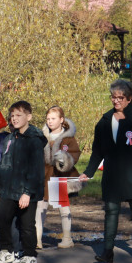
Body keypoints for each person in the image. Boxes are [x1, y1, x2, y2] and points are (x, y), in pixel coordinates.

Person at [81, 79, 132, 263]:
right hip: (112, 174)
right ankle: (107, 252)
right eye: (113, 97)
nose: (116, 100)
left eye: (120, 97)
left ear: (129, 98)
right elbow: (97, 150)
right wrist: (89, 171)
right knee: (110, 210)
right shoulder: (104, 120)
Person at [0, 101, 47, 263]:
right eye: (12, 115)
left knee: (26, 224)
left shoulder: (34, 140)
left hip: (27, 190)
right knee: (2, 217)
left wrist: (27, 193)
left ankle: (30, 256)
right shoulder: (10, 138)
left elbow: (36, 170)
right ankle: (6, 251)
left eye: (19, 115)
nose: (14, 118)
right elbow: (5, 162)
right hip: (9, 188)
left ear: (29, 117)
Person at [37, 105, 80, 249]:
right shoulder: (41, 137)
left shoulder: (68, 139)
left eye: (53, 118)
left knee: (63, 208)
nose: (50, 121)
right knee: (40, 207)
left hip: (59, 177)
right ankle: (37, 239)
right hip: (43, 176)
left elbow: (75, 154)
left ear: (61, 120)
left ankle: (67, 238)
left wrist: (65, 159)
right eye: (48, 119)